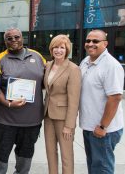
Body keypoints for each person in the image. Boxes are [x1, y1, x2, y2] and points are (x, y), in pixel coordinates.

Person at [0, 28, 46, 174]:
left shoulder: (38, 56)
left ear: (22, 38)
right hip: (4, 121)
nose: (14, 40)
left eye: (17, 37)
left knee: (25, 160)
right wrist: (8, 103)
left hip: (32, 122)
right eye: (9, 38)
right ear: (5, 41)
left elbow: (47, 81)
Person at [79, 29, 124, 174]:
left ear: (105, 44)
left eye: (95, 41)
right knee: (94, 166)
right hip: (89, 126)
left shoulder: (111, 65)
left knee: (102, 169)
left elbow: (115, 97)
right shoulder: (85, 62)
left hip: (103, 130)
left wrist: (103, 127)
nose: (90, 44)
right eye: (88, 40)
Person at [43, 34, 81, 174]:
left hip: (64, 119)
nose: (58, 50)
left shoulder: (73, 69)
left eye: (62, 47)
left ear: (67, 50)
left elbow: (74, 100)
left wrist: (69, 126)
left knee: (66, 155)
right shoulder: (48, 65)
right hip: (48, 116)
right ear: (51, 49)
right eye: (55, 47)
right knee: (50, 153)